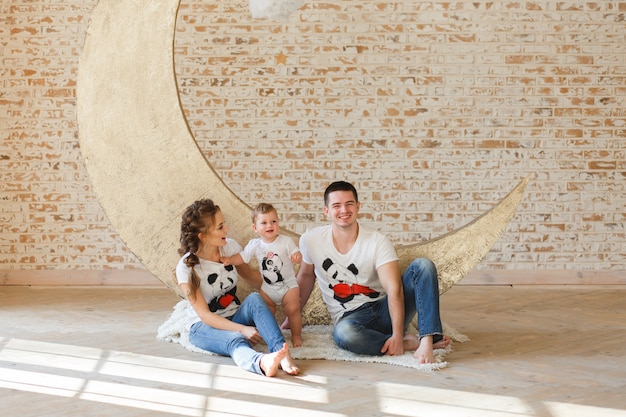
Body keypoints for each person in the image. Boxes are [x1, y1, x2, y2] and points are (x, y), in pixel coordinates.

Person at [285, 181, 451, 364]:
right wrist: (290, 317)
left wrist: (396, 333)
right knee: (343, 334)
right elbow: (306, 276)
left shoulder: (377, 241)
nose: (344, 210)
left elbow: (394, 289)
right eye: (336, 206)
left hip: (383, 307)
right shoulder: (311, 240)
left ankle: (426, 341)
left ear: (358, 206)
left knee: (423, 266)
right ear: (326, 211)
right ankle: (405, 343)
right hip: (350, 318)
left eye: (349, 204)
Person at [176, 198, 299, 377]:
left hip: (233, 316)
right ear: (202, 236)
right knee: (235, 339)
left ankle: (281, 353)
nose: (226, 229)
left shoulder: (230, 247)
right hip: (203, 327)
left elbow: (249, 276)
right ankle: (262, 362)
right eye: (220, 227)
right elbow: (205, 315)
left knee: (255, 298)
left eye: (224, 224)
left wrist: (280, 288)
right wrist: (242, 329)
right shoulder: (186, 267)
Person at [221, 203, 303, 347]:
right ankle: (270, 334)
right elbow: (243, 257)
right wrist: (230, 260)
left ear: (278, 223)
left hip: (288, 285)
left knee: (292, 309)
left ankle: (296, 336)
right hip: (268, 287)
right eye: (263, 223)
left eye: (273, 221)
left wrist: (297, 256)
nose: (269, 225)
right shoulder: (255, 244)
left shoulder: (285, 241)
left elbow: (296, 253)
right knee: (266, 312)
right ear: (255, 228)